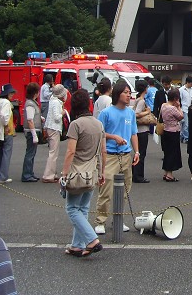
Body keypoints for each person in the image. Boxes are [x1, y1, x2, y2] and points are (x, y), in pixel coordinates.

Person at [61, 89, 106, 257]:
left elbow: (70, 152)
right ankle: (77, 244)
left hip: (77, 173)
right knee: (83, 208)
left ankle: (91, 239)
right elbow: (103, 151)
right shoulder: (98, 124)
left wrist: (64, 174)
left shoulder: (76, 124)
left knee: (72, 208)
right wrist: (102, 172)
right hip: (92, 172)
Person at [94, 79, 139, 235]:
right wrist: (114, 137)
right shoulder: (106, 113)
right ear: (117, 93)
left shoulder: (131, 113)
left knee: (125, 190)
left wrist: (137, 152)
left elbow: (134, 133)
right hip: (111, 156)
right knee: (106, 189)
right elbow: (99, 133)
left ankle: (117, 220)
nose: (128, 96)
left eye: (129, 93)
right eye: (125, 92)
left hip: (126, 155)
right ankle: (100, 221)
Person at [42, 84, 68, 183]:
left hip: (50, 127)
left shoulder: (52, 100)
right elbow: (57, 117)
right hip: (54, 128)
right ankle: (48, 175)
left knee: (53, 152)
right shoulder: (57, 103)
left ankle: (52, 173)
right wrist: (64, 112)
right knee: (53, 153)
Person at [161, 88, 184, 181]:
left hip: (165, 130)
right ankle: (169, 174)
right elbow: (181, 116)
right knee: (172, 153)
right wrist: (179, 107)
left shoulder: (163, 105)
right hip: (173, 131)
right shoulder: (173, 108)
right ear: (175, 98)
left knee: (167, 152)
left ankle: (166, 172)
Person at [21, 82, 42, 182]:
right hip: (31, 131)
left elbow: (33, 116)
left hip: (33, 130)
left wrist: (40, 118)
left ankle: (29, 173)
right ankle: (26, 174)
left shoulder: (32, 103)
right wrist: (34, 135)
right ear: (35, 93)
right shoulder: (30, 104)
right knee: (30, 153)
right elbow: (30, 120)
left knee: (31, 153)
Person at [0, 83, 17, 183]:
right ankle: (3, 176)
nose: (12, 95)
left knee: (0, 152)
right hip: (6, 131)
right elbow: (4, 116)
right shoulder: (6, 102)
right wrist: (6, 126)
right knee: (6, 153)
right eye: (11, 93)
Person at [132, 79, 151, 183]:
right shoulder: (142, 101)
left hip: (137, 130)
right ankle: (139, 175)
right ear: (144, 89)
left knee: (137, 152)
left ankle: (134, 173)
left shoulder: (137, 99)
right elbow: (137, 114)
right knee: (141, 153)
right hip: (142, 129)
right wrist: (147, 112)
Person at [179, 76, 192, 143]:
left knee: (188, 124)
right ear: (187, 82)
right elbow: (179, 100)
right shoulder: (181, 90)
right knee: (186, 124)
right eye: (191, 83)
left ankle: (182, 136)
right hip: (184, 108)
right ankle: (186, 138)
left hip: (191, 109)